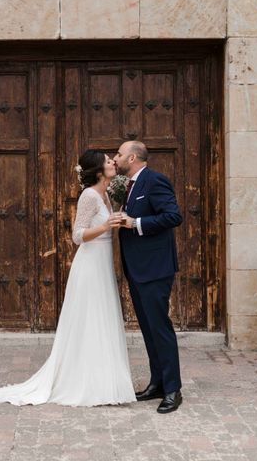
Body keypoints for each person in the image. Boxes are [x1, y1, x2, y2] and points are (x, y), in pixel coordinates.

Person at [0, 150, 136, 407]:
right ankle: (85, 382)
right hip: (89, 266)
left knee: (102, 318)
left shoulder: (106, 195)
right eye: (107, 159)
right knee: (90, 320)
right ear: (99, 171)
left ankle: (103, 378)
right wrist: (105, 226)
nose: (113, 160)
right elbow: (77, 235)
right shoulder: (89, 195)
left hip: (101, 263)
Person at [114, 141, 184, 414]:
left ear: (132, 157)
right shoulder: (129, 185)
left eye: (119, 154)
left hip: (155, 269)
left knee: (160, 328)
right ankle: (157, 382)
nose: (116, 158)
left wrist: (136, 223)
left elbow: (173, 216)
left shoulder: (155, 181)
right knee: (148, 329)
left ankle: (173, 390)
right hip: (137, 269)